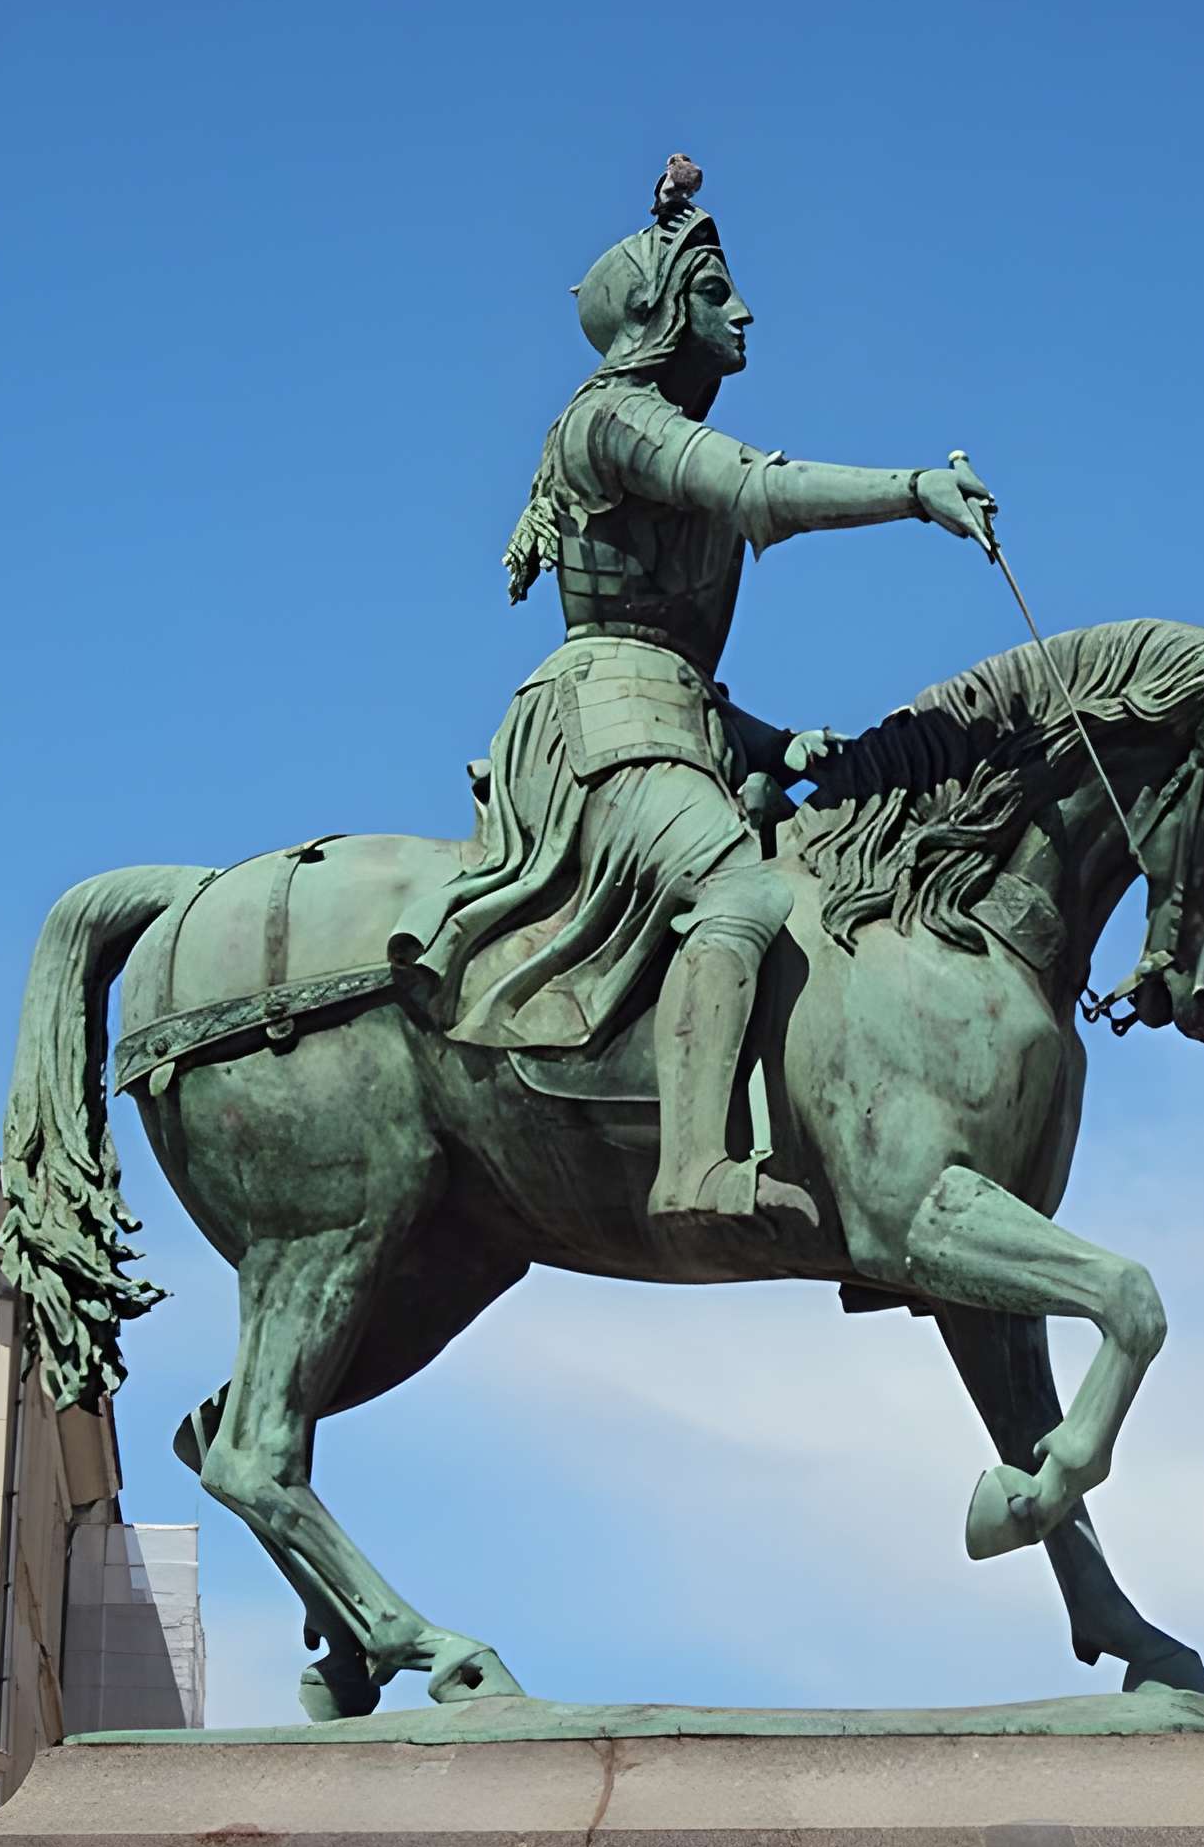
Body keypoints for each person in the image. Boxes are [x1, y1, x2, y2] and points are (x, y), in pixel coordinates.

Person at [389, 158, 995, 1219]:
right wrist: (911, 492)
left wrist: (770, 742)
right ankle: (692, 1166)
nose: (745, 310)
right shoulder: (616, 422)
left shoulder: (657, 428)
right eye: (715, 293)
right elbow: (757, 493)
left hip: (674, 717)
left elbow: (678, 663)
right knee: (743, 892)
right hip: (599, 725)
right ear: (662, 313)